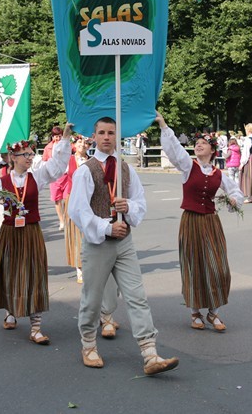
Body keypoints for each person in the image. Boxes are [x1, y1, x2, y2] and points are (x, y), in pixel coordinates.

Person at [68, 117, 179, 376]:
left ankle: (149, 352)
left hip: (125, 241)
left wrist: (127, 207)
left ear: (117, 137)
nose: (107, 137)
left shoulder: (126, 169)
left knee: (137, 297)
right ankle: (88, 344)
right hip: (99, 244)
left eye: (111, 133)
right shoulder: (86, 170)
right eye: (102, 133)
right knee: (92, 299)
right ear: (94, 136)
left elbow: (140, 201)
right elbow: (78, 211)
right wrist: (107, 227)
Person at [0, 126, 71, 345]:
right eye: (26, 154)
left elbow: (57, 166)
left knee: (34, 274)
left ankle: (36, 327)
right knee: (11, 272)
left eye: (31, 154)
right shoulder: (1, 182)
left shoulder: (38, 176)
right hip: (10, 234)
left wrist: (64, 139)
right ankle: (10, 310)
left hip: (32, 232)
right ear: (13, 157)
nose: (30, 157)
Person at [158, 113, 243, 331]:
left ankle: (214, 312)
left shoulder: (219, 174)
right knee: (194, 265)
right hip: (191, 221)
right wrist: (164, 125)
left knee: (218, 267)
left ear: (212, 150)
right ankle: (195, 312)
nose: (198, 146)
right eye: (196, 143)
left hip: (211, 222)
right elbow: (175, 150)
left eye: (203, 143)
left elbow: (236, 193)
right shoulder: (188, 166)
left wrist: (233, 200)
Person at [64, 135, 91, 284]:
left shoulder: (92, 160)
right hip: (73, 199)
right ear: (74, 144)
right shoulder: (68, 161)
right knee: (76, 234)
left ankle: (91, 265)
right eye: (79, 142)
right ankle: (79, 268)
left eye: (85, 142)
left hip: (89, 200)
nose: (82, 145)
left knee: (89, 232)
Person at [43, 126, 67, 230]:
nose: (57, 138)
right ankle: (61, 221)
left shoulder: (67, 145)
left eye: (59, 136)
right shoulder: (48, 147)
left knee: (67, 199)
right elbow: (44, 161)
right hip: (54, 177)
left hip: (66, 176)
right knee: (57, 200)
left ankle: (67, 219)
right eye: (55, 136)